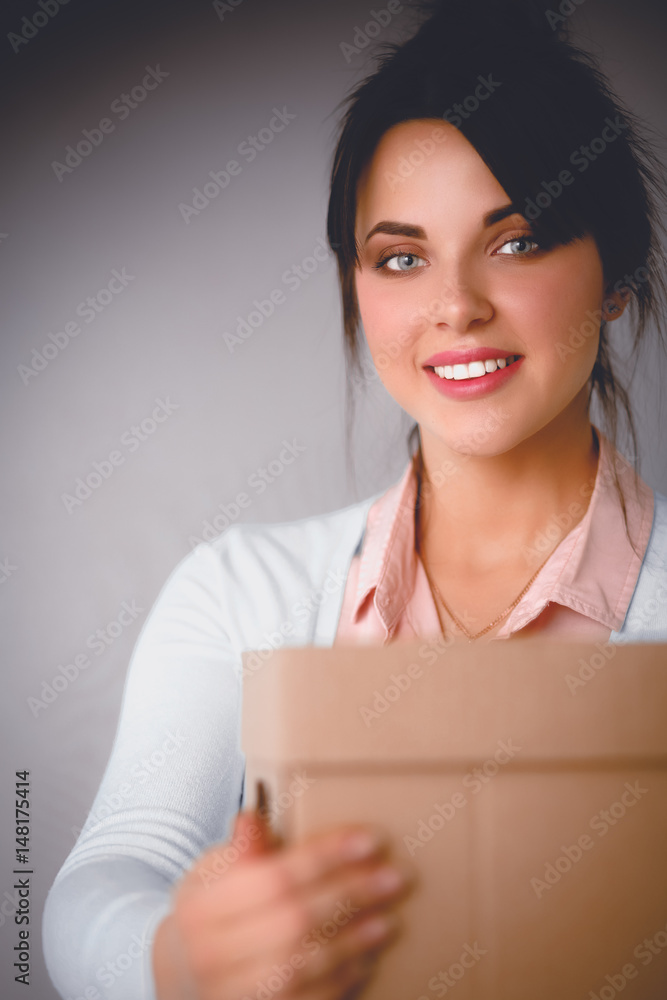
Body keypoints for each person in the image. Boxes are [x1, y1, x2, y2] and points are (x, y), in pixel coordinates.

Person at [43, 0, 667, 998]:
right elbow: (88, 895)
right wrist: (177, 954)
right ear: (357, 290)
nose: (454, 304)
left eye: (516, 240)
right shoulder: (244, 590)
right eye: (402, 257)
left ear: (619, 274)